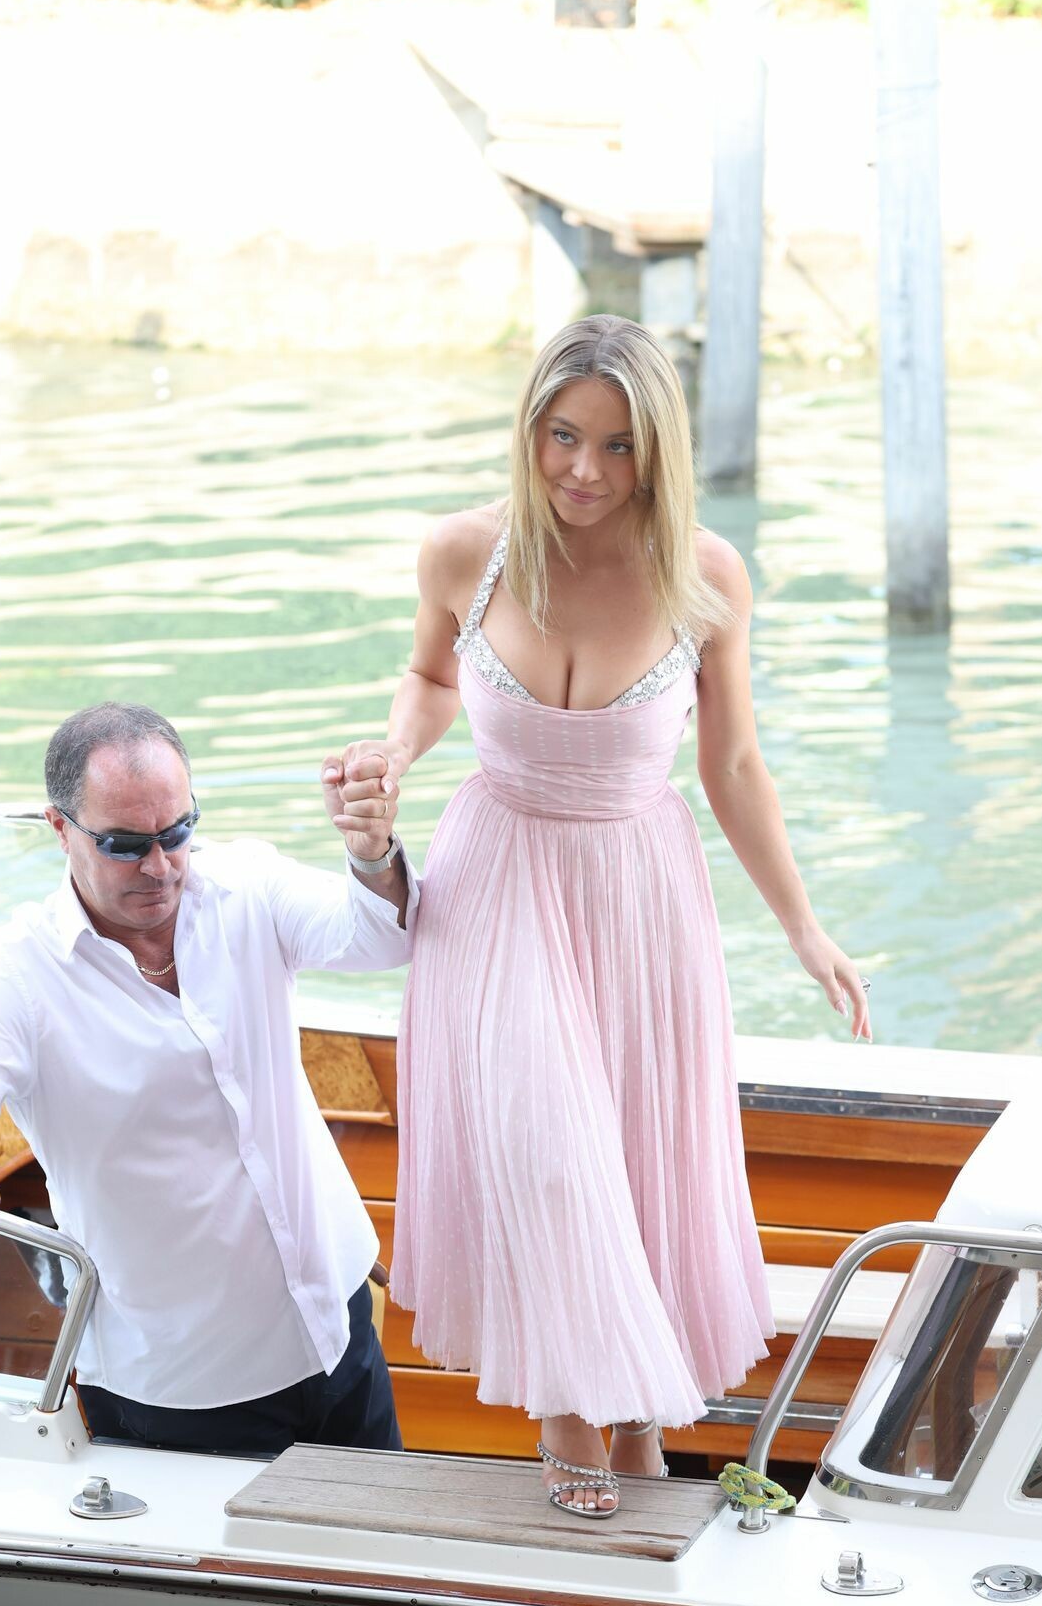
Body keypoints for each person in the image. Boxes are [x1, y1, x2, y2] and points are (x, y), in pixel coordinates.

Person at [363, 315, 871, 1517]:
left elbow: (731, 765)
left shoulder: (705, 576)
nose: (583, 470)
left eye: (617, 446)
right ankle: (566, 1419)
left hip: (638, 891)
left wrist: (801, 927)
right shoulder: (463, 553)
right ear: (528, 429)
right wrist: (392, 754)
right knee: (542, 1149)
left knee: (631, 1163)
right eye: (561, 436)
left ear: (658, 452)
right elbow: (430, 678)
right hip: (495, 878)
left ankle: (636, 1424)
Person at [0, 702, 418, 1460]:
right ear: (60, 828)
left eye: (176, 833)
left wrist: (370, 855)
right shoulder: (10, 981)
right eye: (125, 845)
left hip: (338, 1326)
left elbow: (379, 937)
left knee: (380, 1536)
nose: (160, 865)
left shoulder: (249, 884)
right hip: (182, 1388)